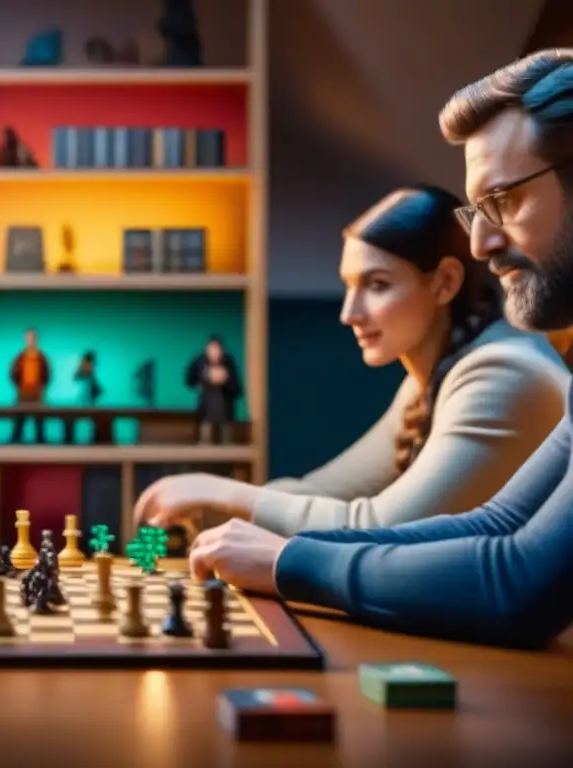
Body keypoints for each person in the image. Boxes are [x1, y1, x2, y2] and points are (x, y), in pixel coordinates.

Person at [179, 49, 573, 649]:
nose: (483, 245)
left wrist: (288, 562)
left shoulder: (502, 367)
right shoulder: (445, 373)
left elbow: (516, 582)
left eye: (505, 201)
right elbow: (497, 525)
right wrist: (276, 548)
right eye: (477, 211)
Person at [136, 185, 569, 538]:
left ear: (445, 282)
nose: (349, 313)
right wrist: (214, 504)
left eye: (377, 285)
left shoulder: (501, 373)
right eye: (348, 286)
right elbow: (324, 493)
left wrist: (221, 493)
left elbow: (380, 527)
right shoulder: (435, 374)